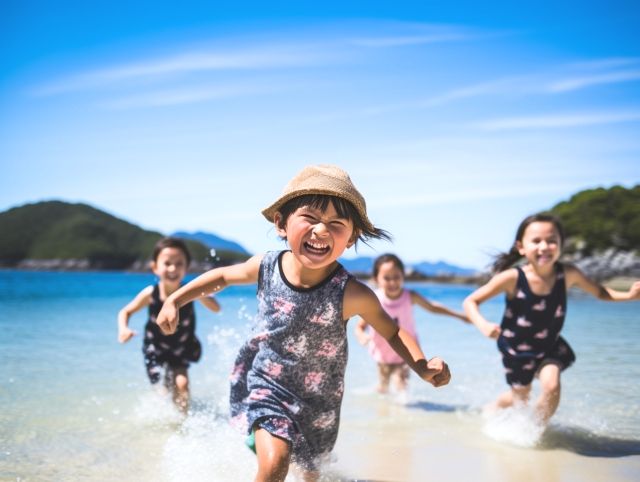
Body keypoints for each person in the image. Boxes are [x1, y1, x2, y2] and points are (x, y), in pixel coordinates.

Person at [155, 165, 451, 482]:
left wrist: (420, 365)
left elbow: (391, 331)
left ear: (351, 238)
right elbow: (224, 276)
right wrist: (175, 300)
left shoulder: (352, 294)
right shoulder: (266, 266)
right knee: (275, 463)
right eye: (310, 218)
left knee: (309, 476)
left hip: (319, 403)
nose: (322, 231)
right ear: (282, 223)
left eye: (336, 224)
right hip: (266, 386)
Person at [463, 213, 640, 425]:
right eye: (536, 241)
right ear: (521, 247)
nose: (544, 246)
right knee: (521, 397)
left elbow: (600, 292)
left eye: (551, 241)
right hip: (515, 348)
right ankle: (492, 409)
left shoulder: (568, 274)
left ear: (560, 245)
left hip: (549, 344)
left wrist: (629, 296)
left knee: (551, 386)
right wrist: (483, 325)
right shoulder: (512, 278)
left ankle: (534, 431)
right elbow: (470, 302)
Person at [117, 237, 221, 412]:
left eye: (179, 263)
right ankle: (165, 418)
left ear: (186, 267)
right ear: (155, 267)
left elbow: (216, 308)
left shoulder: (190, 292)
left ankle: (183, 422)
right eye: (167, 263)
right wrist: (123, 328)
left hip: (181, 347)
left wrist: (200, 294)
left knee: (182, 383)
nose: (173, 268)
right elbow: (125, 312)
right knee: (162, 390)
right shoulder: (150, 293)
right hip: (155, 348)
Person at [355, 253, 469, 396]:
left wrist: (459, 316)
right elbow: (360, 326)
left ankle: (401, 414)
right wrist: (361, 336)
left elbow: (432, 307)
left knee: (401, 388)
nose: (392, 282)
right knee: (383, 387)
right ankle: (383, 412)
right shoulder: (375, 299)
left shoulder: (410, 296)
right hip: (382, 352)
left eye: (396, 277)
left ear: (403, 276)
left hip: (407, 353)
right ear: (376, 279)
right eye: (387, 278)